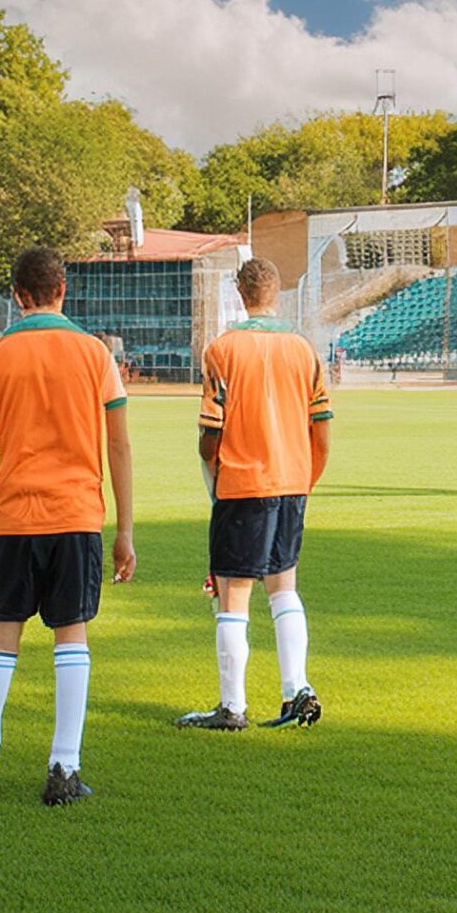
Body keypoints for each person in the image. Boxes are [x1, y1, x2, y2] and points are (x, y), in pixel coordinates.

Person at [0, 247, 137, 806]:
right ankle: (63, 768)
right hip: (77, 514)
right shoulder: (94, 354)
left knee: (0, 638)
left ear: (18, 294)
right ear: (62, 289)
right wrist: (124, 529)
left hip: (12, 513)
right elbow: (119, 444)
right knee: (71, 634)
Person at [177, 259, 333, 731]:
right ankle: (295, 689)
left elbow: (211, 432)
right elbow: (321, 428)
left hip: (244, 484)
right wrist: (306, 478)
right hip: (292, 482)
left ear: (239, 293)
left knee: (233, 595)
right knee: (284, 588)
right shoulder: (304, 350)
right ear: (277, 292)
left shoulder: (222, 349)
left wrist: (212, 465)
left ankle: (232, 707)